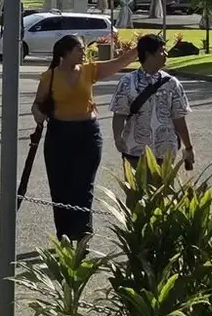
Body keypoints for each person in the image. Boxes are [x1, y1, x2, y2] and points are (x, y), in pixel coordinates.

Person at [33, 32, 139, 243]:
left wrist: (140, 47)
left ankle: (82, 235)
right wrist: (38, 114)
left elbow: (120, 62)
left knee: (83, 186)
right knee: (60, 186)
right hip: (59, 134)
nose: (84, 52)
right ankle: (64, 235)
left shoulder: (89, 70)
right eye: (79, 49)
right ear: (65, 53)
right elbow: (37, 103)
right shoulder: (49, 77)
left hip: (87, 134)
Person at [112, 34, 195, 172]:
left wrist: (188, 147)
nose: (166, 54)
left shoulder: (172, 83)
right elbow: (119, 113)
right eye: (162, 50)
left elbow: (179, 118)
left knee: (163, 186)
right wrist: (117, 137)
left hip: (165, 152)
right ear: (148, 54)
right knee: (137, 186)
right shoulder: (127, 82)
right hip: (134, 151)